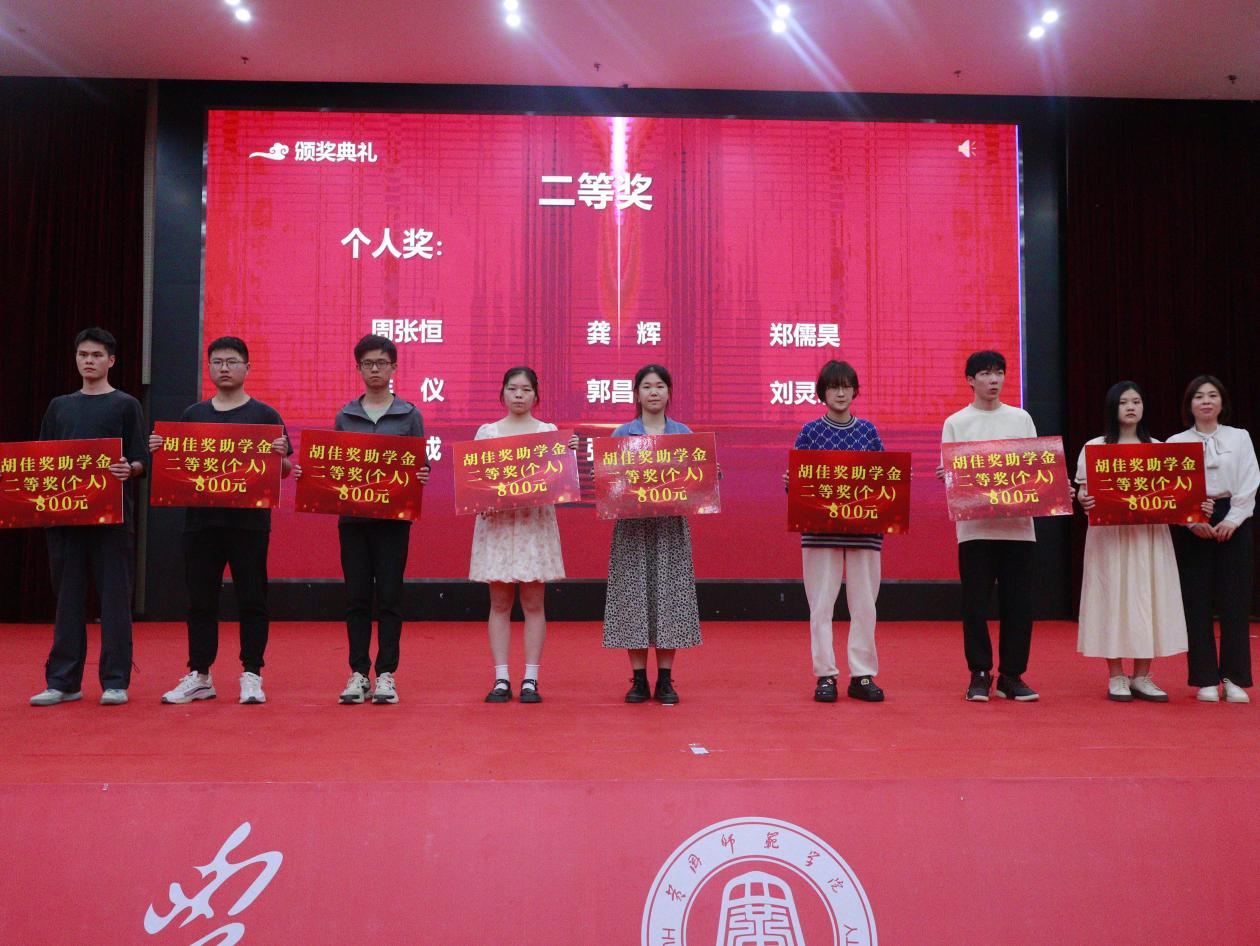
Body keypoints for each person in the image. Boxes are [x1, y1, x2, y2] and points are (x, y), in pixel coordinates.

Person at [153, 337, 292, 706]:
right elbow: (178, 467)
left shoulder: (265, 416)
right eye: (217, 362)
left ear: (247, 367)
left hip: (249, 524)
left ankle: (252, 673)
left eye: (232, 361)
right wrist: (161, 452)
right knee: (200, 600)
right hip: (201, 523)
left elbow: (285, 471)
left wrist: (280, 457)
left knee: (252, 598)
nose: (225, 368)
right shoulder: (193, 415)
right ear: (209, 368)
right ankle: (200, 674)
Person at [297, 334, 429, 705]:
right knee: (356, 597)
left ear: (393, 368)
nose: (375, 370)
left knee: (389, 596)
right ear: (358, 369)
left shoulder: (409, 415)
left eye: (382, 363)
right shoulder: (346, 415)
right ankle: (358, 673)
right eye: (368, 364)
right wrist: (311, 474)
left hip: (393, 521)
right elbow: (334, 465)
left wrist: (422, 473)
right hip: (353, 520)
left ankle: (386, 674)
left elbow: (420, 463)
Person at [30, 328, 147, 707]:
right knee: (67, 600)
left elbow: (140, 459)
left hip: (112, 520)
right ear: (76, 359)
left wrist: (130, 468)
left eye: (96, 355)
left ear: (111, 361)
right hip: (65, 519)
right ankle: (63, 681)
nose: (89, 361)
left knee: (114, 600)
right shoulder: (59, 406)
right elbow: (42, 460)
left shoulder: (126, 404)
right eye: (83, 355)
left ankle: (115, 681)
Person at [1074, 382, 1187, 701]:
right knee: (1111, 596)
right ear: (1113, 407)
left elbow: (1173, 493)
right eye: (1124, 402)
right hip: (1110, 537)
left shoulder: (1157, 448)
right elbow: (1084, 492)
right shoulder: (1095, 447)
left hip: (1147, 536)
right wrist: (1084, 499)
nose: (1131, 407)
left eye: (1136, 401)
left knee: (1146, 597)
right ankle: (1116, 675)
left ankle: (1142, 675)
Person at [939, 350, 1040, 702]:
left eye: (999, 372)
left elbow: (1036, 468)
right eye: (985, 373)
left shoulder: (1021, 418)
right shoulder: (956, 422)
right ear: (970, 380)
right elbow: (952, 478)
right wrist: (948, 476)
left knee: (1018, 605)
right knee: (975, 605)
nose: (994, 380)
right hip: (975, 529)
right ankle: (979, 673)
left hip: (1019, 529)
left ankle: (1012, 675)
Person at [472, 367, 576, 704]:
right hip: (498, 526)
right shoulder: (487, 433)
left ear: (536, 395)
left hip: (534, 525)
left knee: (533, 603)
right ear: (502, 393)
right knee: (499, 603)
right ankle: (501, 678)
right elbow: (475, 483)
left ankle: (531, 678)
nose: (519, 395)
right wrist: (481, 499)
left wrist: (568, 453)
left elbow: (559, 481)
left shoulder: (549, 433)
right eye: (513, 388)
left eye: (526, 389)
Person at [786, 360, 886, 703]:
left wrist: (897, 483)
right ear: (822, 393)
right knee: (821, 606)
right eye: (833, 387)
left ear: (855, 391)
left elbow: (883, 481)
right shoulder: (810, 432)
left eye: (846, 386)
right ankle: (825, 674)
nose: (840, 393)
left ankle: (862, 674)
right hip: (819, 534)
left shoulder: (868, 432)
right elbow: (799, 485)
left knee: (865, 606)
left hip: (865, 534)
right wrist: (791, 484)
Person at [602, 364, 703, 704]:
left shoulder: (683, 434)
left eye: (660, 386)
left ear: (669, 392)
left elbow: (696, 485)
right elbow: (610, 485)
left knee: (670, 598)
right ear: (636, 394)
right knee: (633, 599)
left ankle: (665, 680)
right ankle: (638, 680)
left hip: (670, 530)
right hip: (632, 530)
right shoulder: (622, 435)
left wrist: (708, 474)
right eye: (647, 386)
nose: (654, 392)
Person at [1168, 375, 1257, 703]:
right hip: (1192, 523)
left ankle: (1234, 678)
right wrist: (1191, 521)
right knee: (1197, 601)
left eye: (1212, 395)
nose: (1206, 401)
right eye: (1199, 396)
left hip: (1234, 517)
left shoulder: (1240, 437)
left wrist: (1232, 519)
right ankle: (1205, 677)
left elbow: (1249, 480)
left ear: (1222, 402)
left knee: (1235, 601)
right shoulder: (1175, 442)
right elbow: (1170, 489)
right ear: (1189, 404)